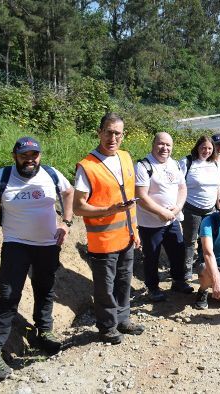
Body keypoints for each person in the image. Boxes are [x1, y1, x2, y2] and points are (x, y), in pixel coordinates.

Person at [0, 137, 74, 381]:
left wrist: (67, 223)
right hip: (16, 244)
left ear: (39, 155)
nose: (30, 160)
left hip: (48, 244)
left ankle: (43, 331)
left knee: (45, 288)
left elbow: (69, 192)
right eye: (24, 155)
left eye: (34, 155)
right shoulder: (0, 178)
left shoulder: (51, 174)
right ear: (14, 156)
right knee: (8, 295)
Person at [74, 113, 144, 345]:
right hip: (103, 240)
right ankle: (107, 327)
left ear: (123, 136)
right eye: (108, 132)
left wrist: (135, 231)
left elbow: (130, 199)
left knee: (124, 281)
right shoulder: (87, 166)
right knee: (105, 287)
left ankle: (123, 319)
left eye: (117, 133)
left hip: (127, 236)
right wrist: (108, 210)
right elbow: (78, 207)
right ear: (99, 132)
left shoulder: (125, 157)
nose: (112, 137)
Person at [135, 132, 193, 302]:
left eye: (168, 145)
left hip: (172, 219)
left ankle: (178, 281)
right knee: (151, 256)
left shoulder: (174, 164)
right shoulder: (143, 166)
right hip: (150, 223)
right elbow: (141, 197)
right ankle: (153, 288)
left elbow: (182, 188)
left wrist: (177, 209)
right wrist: (162, 212)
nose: (165, 148)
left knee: (178, 251)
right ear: (153, 144)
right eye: (161, 144)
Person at [179, 136, 220, 281]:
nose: (206, 151)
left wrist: (219, 205)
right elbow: (179, 185)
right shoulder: (187, 162)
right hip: (192, 208)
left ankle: (203, 266)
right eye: (203, 147)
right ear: (197, 147)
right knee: (189, 241)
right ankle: (186, 270)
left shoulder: (214, 164)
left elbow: (218, 186)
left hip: (210, 210)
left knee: (207, 240)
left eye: (210, 148)